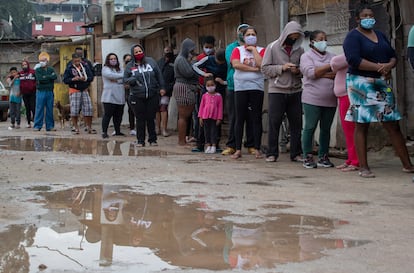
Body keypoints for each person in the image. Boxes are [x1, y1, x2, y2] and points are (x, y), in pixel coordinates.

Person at [343, 3, 414, 177]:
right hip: (359, 83)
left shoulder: (380, 35)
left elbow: (393, 55)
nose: (369, 18)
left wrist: (388, 65)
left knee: (392, 123)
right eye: (365, 16)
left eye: (371, 15)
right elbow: (353, 59)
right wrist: (378, 67)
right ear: (357, 19)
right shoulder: (353, 37)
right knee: (362, 123)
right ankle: (364, 168)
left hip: (381, 82)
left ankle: (407, 164)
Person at [261, 21, 305, 163]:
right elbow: (265, 69)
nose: (294, 39)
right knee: (274, 122)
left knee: (296, 123)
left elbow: (303, 71)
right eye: (292, 35)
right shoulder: (272, 47)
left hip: (296, 90)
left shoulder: (300, 50)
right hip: (277, 90)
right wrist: (282, 67)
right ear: (286, 34)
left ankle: (296, 153)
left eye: (297, 36)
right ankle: (272, 153)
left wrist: (297, 71)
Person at [300, 30, 336, 169]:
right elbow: (310, 73)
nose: (324, 41)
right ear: (312, 42)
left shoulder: (332, 56)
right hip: (312, 99)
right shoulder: (306, 57)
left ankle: (323, 156)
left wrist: (319, 73)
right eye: (321, 39)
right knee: (309, 127)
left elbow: (337, 73)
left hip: (330, 99)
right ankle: (307, 156)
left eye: (325, 38)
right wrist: (328, 68)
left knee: (325, 128)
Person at [230, 26, 266, 159]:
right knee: (239, 118)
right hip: (240, 87)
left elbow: (261, 64)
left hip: (257, 87)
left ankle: (257, 148)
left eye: (253, 34)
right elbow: (236, 65)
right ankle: (238, 149)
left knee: (256, 118)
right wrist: (253, 70)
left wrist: (254, 51)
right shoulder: (237, 50)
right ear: (243, 37)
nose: (251, 36)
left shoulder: (262, 50)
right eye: (248, 34)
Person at [222, 23, 255, 156]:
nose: (244, 34)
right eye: (242, 32)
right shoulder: (231, 48)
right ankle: (232, 145)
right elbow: (235, 63)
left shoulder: (254, 48)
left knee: (251, 117)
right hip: (233, 86)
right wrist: (251, 65)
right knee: (235, 116)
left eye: (247, 32)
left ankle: (251, 145)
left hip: (251, 86)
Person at [123, 44, 166, 147]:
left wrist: (162, 87)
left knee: (151, 118)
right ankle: (140, 140)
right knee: (140, 118)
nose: (138, 53)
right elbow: (124, 80)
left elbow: (158, 74)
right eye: (136, 52)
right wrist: (131, 80)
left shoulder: (151, 61)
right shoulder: (130, 66)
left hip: (152, 94)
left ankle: (152, 139)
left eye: (140, 51)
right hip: (137, 96)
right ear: (133, 54)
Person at [192, 48, 227, 152]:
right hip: (206, 90)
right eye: (218, 62)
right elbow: (194, 66)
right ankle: (200, 144)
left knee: (217, 119)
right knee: (202, 116)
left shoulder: (226, 64)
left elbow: (230, 77)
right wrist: (204, 74)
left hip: (219, 92)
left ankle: (216, 144)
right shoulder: (208, 59)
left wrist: (222, 82)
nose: (219, 64)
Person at [330, 54, 359, 172]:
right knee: (348, 130)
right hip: (343, 96)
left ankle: (356, 161)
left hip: (349, 95)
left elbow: (334, 63)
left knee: (351, 130)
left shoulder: (351, 56)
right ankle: (351, 159)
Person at [172, 38, 199, 146]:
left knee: (184, 116)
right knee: (183, 115)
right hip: (183, 87)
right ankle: (181, 141)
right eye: (191, 50)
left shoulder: (181, 59)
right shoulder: (181, 60)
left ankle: (183, 140)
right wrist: (193, 62)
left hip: (184, 87)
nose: (192, 52)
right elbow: (188, 73)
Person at [63, 53, 96, 134]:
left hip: (84, 89)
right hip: (74, 90)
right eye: (75, 61)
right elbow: (65, 80)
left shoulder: (85, 67)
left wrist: (85, 78)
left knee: (89, 109)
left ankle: (89, 127)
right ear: (73, 61)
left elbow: (91, 77)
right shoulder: (69, 68)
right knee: (74, 110)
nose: (77, 62)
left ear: (81, 60)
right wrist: (73, 79)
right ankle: (75, 127)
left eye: (79, 60)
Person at [101, 53, 125, 138]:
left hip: (120, 96)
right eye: (111, 59)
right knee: (107, 115)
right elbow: (110, 76)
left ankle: (117, 131)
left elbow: (124, 79)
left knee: (118, 115)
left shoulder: (120, 69)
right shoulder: (105, 69)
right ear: (108, 60)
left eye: (115, 58)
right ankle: (104, 131)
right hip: (109, 97)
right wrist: (120, 78)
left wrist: (117, 80)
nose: (113, 60)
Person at [198, 77, 223, 154]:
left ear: (215, 85)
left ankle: (214, 145)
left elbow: (220, 107)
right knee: (206, 131)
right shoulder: (204, 96)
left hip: (214, 117)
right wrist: (200, 117)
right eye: (208, 85)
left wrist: (219, 118)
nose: (210, 87)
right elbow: (201, 106)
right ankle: (208, 145)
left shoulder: (219, 96)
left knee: (214, 131)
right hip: (205, 116)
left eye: (212, 85)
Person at [33, 52, 58, 131]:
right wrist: (49, 78)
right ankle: (37, 126)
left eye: (44, 60)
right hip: (41, 91)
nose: (42, 62)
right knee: (39, 108)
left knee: (49, 109)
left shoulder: (51, 69)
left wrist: (46, 77)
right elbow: (40, 79)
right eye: (41, 60)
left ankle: (50, 126)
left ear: (47, 61)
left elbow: (54, 76)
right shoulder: (38, 70)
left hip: (49, 91)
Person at [157, 46, 175, 137]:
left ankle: (164, 129)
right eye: (165, 51)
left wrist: (166, 89)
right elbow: (156, 75)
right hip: (157, 89)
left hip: (167, 90)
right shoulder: (160, 62)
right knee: (157, 109)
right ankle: (158, 129)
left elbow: (174, 79)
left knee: (163, 108)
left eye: (169, 51)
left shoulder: (174, 62)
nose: (167, 52)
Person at [18, 60, 36, 128]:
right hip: (24, 93)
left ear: (28, 65)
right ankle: (28, 122)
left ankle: (35, 121)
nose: (24, 66)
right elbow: (12, 76)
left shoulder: (33, 72)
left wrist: (34, 86)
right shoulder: (20, 73)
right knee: (27, 108)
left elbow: (37, 80)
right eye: (22, 65)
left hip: (32, 92)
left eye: (25, 64)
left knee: (33, 107)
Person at [123, 53, 136, 136]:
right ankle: (132, 128)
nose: (129, 62)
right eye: (127, 60)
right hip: (128, 92)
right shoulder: (124, 70)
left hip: (136, 91)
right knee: (130, 110)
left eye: (130, 60)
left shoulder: (135, 68)